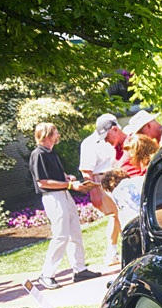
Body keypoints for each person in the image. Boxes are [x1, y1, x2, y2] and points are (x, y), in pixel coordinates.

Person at [28, 122, 101, 290]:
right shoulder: (38, 154)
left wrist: (68, 178)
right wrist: (68, 186)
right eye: (55, 132)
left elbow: (57, 176)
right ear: (47, 135)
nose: (58, 134)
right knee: (60, 235)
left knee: (75, 231)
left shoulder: (51, 153)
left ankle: (79, 269)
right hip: (53, 197)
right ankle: (47, 274)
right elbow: (42, 182)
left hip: (63, 195)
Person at [79, 114, 122, 265]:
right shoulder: (89, 143)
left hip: (118, 176)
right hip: (103, 180)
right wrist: (94, 192)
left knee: (119, 215)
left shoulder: (120, 135)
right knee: (116, 215)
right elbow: (86, 171)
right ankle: (112, 252)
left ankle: (115, 251)